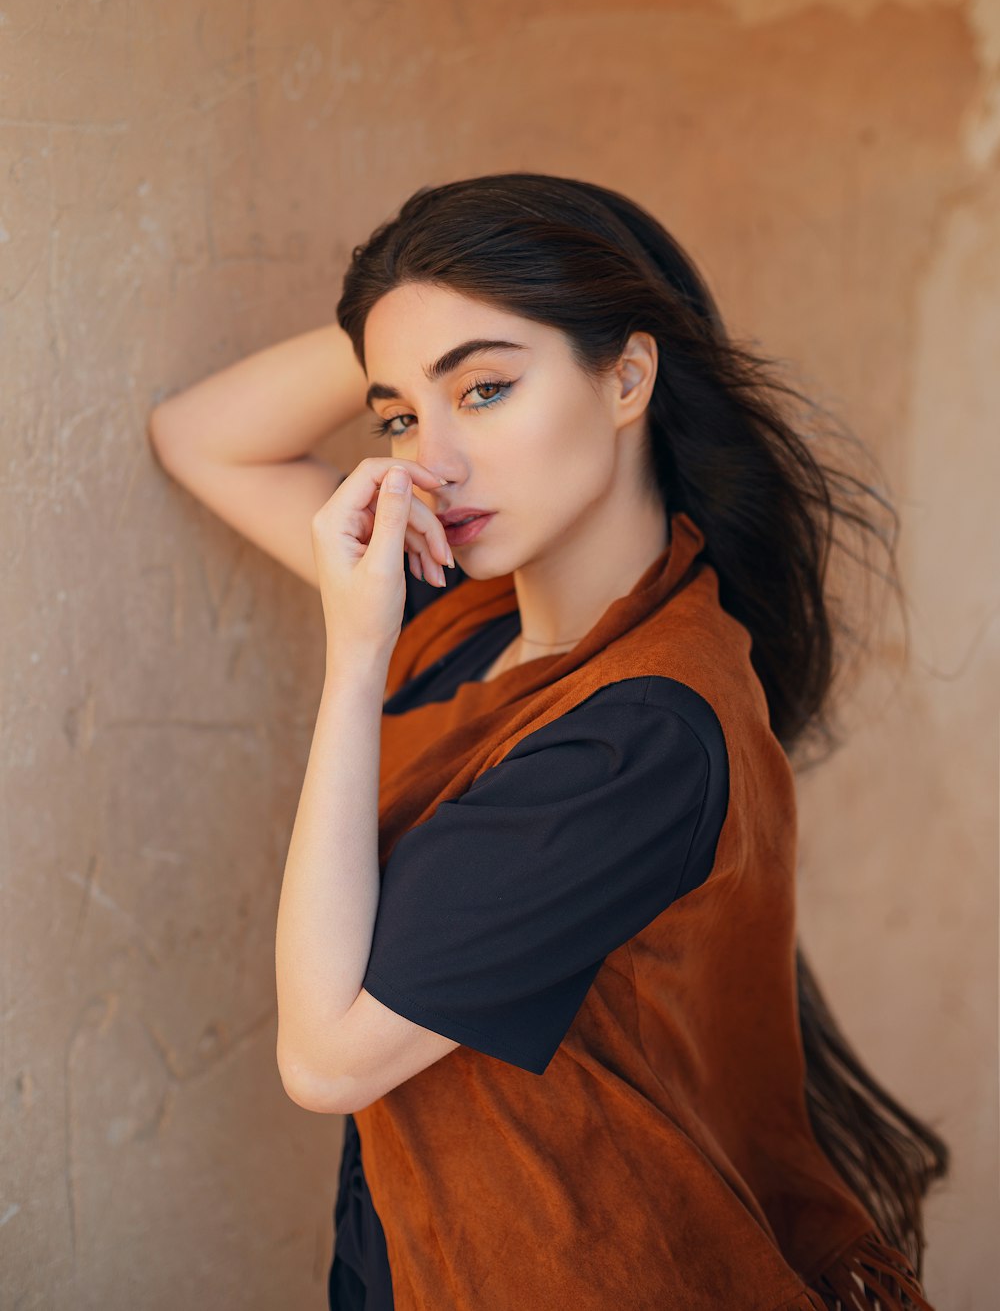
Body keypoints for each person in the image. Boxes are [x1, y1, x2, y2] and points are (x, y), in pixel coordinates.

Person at [148, 172, 949, 1309]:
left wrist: (354, 656)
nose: (433, 460)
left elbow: (325, 1059)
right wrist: (412, 305)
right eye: (398, 418)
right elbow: (199, 439)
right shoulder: (472, 629)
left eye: (486, 390)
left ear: (627, 376)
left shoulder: (643, 732)